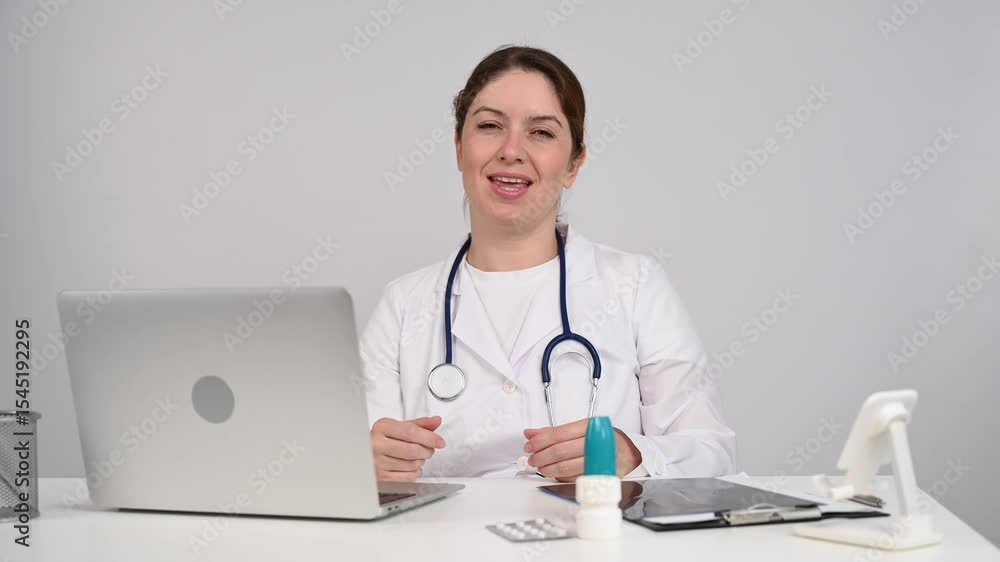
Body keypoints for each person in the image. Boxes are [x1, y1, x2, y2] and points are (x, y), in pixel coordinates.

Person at [360, 45, 736, 482]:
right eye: (490, 126)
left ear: (574, 163)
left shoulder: (635, 286)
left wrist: (635, 455)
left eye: (541, 132)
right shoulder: (404, 304)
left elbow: (712, 453)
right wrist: (364, 464)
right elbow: (353, 464)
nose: (511, 150)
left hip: (588, 527)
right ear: (459, 148)